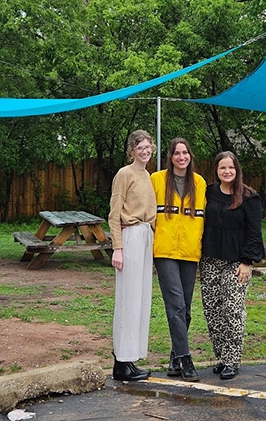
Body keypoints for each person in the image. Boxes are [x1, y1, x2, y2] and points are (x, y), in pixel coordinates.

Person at [200, 151, 265, 380]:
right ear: (216, 170)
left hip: (237, 262)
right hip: (210, 259)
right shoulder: (209, 192)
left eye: (231, 167)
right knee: (212, 310)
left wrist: (247, 262)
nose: (227, 171)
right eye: (222, 168)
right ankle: (222, 356)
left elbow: (254, 232)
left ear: (237, 170)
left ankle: (232, 360)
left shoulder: (249, 197)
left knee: (233, 310)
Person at [151, 138, 206, 382]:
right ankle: (185, 358)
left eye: (185, 152)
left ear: (190, 155)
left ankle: (174, 357)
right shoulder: (157, 179)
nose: (181, 157)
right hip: (164, 251)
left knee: (185, 307)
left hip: (190, 251)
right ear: (170, 157)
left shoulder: (199, 183)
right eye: (177, 153)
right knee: (175, 304)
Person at [107, 129, 157, 382]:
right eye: (140, 148)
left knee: (141, 298)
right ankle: (121, 361)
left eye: (147, 147)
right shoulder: (124, 174)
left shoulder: (147, 175)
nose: (144, 151)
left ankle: (131, 358)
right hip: (131, 237)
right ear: (132, 151)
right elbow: (114, 213)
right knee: (128, 297)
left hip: (146, 235)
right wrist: (118, 247)